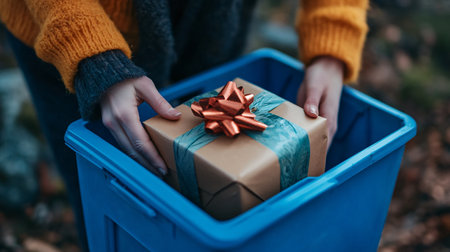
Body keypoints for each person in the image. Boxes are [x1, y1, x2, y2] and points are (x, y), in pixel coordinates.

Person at [0, 0, 368, 250]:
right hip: (69, 22)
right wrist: (90, 55)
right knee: (111, 202)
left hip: (212, 20)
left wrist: (332, 38)